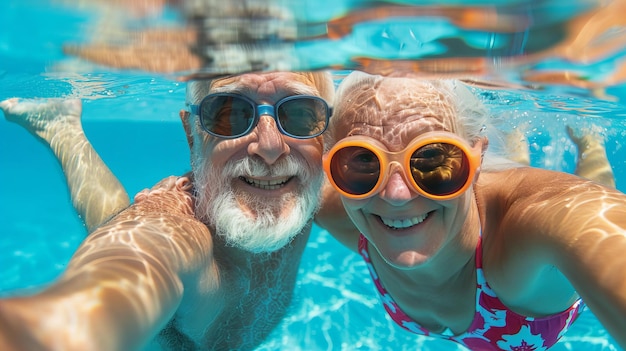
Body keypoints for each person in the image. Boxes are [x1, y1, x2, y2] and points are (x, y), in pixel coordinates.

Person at [0, 70, 335, 350]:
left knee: (109, 216)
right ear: (192, 134)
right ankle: (62, 131)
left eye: (300, 115)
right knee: (114, 224)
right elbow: (125, 268)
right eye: (231, 114)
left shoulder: (309, 184)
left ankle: (62, 126)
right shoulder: (172, 229)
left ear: (326, 136)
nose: (271, 147)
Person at [315, 71, 626, 350]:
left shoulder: (531, 228)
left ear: (477, 159)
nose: (396, 194)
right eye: (364, 161)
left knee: (593, 178)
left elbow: (591, 217)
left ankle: (590, 141)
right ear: (332, 167)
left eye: (431, 160)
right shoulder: (331, 208)